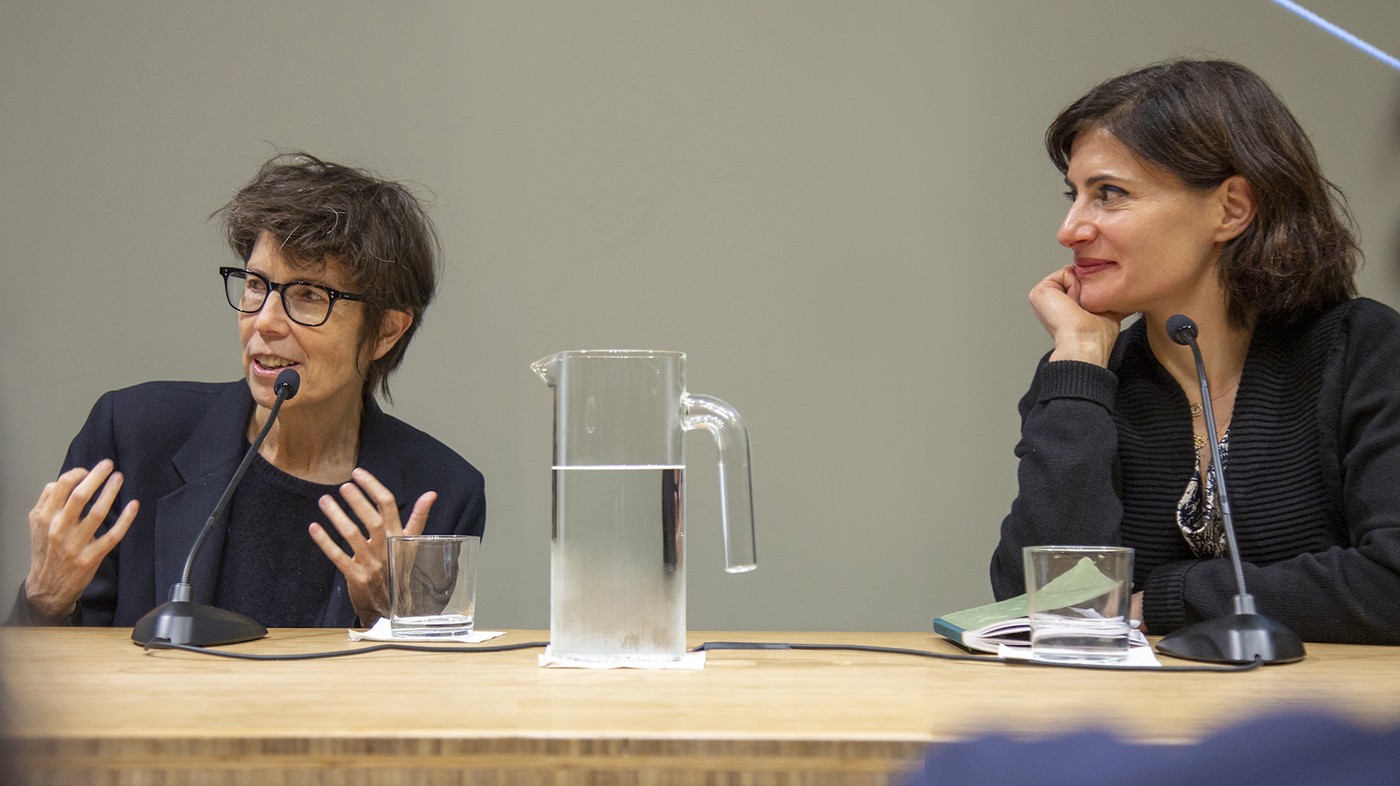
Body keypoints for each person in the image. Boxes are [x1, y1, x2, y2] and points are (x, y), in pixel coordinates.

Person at [989, 59, 1400, 644]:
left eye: (1109, 194)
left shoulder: (1364, 352)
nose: (1071, 228)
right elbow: (1035, 607)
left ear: (1231, 208)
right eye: (1074, 195)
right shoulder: (1088, 375)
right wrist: (1079, 359)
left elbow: (1391, 582)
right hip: (1136, 723)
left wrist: (1165, 600)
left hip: (1325, 727)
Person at [11, 152, 485, 628]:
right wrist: (43, 602)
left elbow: (426, 693)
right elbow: (43, 685)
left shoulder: (439, 493)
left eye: (309, 296)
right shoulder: (133, 437)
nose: (264, 321)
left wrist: (385, 616)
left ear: (386, 331)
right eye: (256, 285)